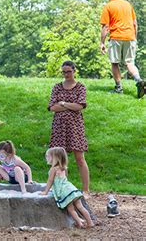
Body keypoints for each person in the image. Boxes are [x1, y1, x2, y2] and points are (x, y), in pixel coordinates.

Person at [48, 60, 90, 196]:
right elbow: (52, 107)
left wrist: (64, 103)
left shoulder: (80, 87)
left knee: (80, 158)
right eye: (64, 72)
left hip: (75, 126)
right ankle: (63, 189)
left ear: (74, 71)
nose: (66, 74)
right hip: (59, 126)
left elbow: (80, 106)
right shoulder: (57, 87)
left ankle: (86, 189)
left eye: (69, 71)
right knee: (60, 160)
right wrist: (71, 105)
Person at [100, 0, 144, 98]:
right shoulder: (128, 4)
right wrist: (134, 37)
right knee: (129, 62)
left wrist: (102, 43)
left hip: (116, 37)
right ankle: (139, 80)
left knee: (115, 63)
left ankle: (119, 88)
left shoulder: (108, 6)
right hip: (130, 37)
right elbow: (135, 23)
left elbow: (105, 27)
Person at [40, 147, 94, 229]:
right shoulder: (64, 168)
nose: (46, 158)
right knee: (80, 207)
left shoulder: (53, 169)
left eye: (48, 156)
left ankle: (79, 223)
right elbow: (64, 180)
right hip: (71, 189)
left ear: (55, 158)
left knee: (71, 209)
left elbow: (50, 181)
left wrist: (45, 192)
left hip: (65, 192)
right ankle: (90, 222)